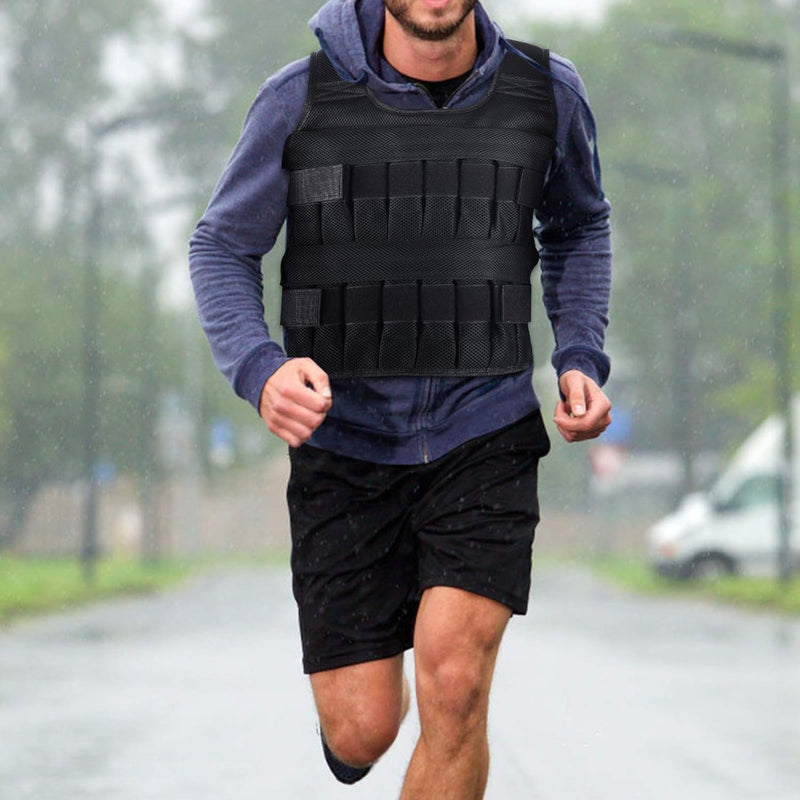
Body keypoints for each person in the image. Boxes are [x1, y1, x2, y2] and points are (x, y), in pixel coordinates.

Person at [189, 0, 612, 796]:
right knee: (365, 727)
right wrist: (259, 369)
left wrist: (579, 353)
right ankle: (359, 722)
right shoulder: (298, 98)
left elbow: (580, 227)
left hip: (484, 430)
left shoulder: (547, 92)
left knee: (455, 686)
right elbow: (221, 244)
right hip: (344, 445)